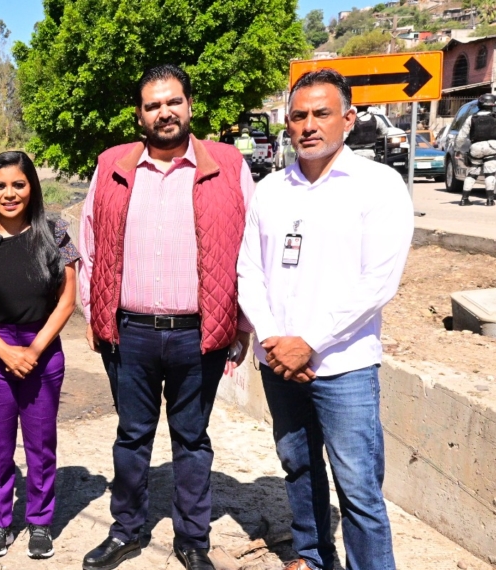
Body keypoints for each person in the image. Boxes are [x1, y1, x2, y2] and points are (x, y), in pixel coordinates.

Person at [78, 64, 254, 570]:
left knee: (192, 440)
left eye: (173, 101)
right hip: (129, 332)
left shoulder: (226, 163)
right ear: (140, 114)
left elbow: (249, 250)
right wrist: (95, 313)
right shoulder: (113, 164)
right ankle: (127, 529)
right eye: (153, 105)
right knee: (131, 436)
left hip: (198, 335)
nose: (164, 112)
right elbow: (89, 241)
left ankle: (192, 539)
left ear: (190, 106)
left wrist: (240, 321)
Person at [236, 68, 412, 570]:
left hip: (345, 366)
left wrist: (308, 341)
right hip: (279, 363)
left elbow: (378, 282)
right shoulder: (270, 190)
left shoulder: (377, 186)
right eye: (298, 116)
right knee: (298, 466)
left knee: (357, 487)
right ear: (286, 124)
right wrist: (273, 340)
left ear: (349, 119)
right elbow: (248, 270)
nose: (309, 125)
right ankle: (313, 558)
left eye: (321, 113)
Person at [0, 151, 79, 560]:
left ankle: (40, 522)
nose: (9, 194)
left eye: (18, 184)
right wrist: (4, 350)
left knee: (41, 444)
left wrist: (35, 348)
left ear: (32, 187)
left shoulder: (55, 233)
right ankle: (1, 522)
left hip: (42, 348)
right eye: (0, 185)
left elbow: (67, 300)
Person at [458, 93, 496, 206]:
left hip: (476, 148)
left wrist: (457, 149)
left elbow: (461, 136)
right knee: (490, 174)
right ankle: (490, 200)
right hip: (492, 147)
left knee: (472, 174)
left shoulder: (471, 118)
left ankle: (464, 199)